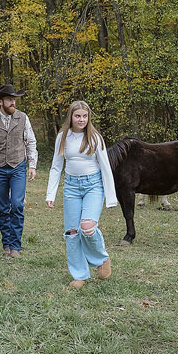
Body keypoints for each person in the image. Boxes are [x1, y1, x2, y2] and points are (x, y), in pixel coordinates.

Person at [46, 101, 117, 288]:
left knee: (87, 227)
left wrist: (111, 198)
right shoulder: (63, 137)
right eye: (78, 116)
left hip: (93, 186)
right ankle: (80, 275)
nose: (81, 120)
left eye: (85, 116)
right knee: (72, 232)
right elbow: (56, 166)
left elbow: (105, 167)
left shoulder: (95, 137)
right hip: (71, 187)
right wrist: (51, 194)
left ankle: (101, 259)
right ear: (70, 117)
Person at [0, 84, 38, 258]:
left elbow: (31, 142)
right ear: (1, 102)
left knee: (17, 205)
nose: (13, 103)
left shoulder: (23, 118)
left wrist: (32, 165)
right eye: (10, 100)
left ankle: (15, 246)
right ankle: (6, 244)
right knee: (3, 208)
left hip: (18, 167)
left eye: (14, 99)